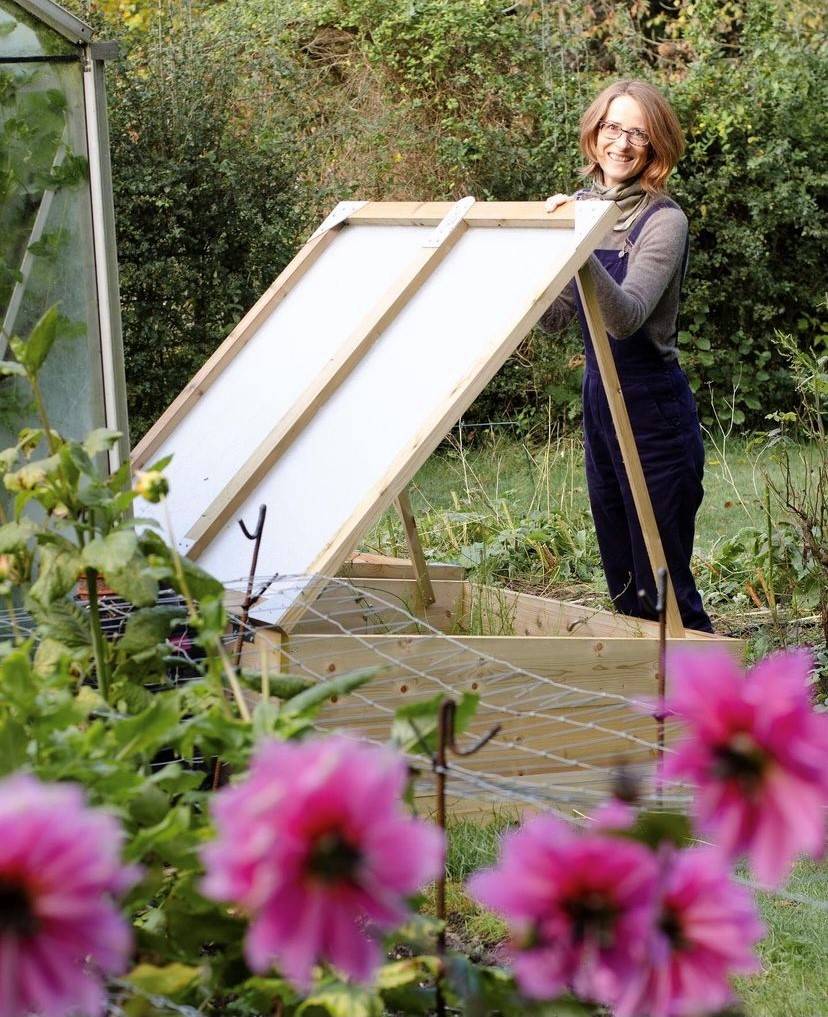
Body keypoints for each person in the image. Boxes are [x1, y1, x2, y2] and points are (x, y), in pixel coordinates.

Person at [540, 79, 713, 632]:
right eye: (613, 127)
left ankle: (711, 702)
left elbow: (625, 317)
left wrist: (577, 242)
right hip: (600, 397)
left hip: (651, 404)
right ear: (595, 134)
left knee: (661, 581)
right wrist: (537, 251)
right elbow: (557, 316)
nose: (622, 142)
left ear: (656, 145)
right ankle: (640, 711)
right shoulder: (583, 208)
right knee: (621, 576)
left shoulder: (665, 220)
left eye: (637, 132)